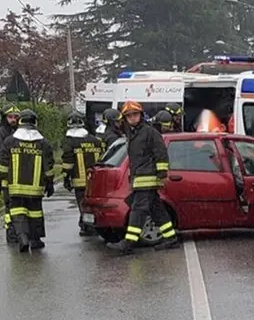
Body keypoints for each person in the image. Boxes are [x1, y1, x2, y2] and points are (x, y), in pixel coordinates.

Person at [107, 100, 179, 254]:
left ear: (141, 115)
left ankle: (129, 243)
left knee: (137, 210)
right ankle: (171, 238)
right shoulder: (132, 133)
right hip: (139, 177)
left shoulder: (149, 132)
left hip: (147, 177)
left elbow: (160, 152)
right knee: (156, 209)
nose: (132, 117)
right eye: (129, 116)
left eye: (135, 114)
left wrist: (161, 173)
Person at [0, 109, 55, 252]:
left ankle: (23, 237)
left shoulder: (10, 141)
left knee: (18, 213)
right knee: (35, 213)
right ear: (35, 122)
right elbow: (48, 167)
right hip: (36, 188)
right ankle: (35, 240)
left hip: (14, 187)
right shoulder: (43, 143)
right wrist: (49, 183)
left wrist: (3, 182)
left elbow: (3, 166)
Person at [62, 111, 105, 236]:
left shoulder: (70, 142)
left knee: (83, 204)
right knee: (94, 204)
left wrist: (66, 178)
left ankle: (87, 226)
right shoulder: (96, 141)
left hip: (79, 181)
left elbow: (68, 163)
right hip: (96, 179)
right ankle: (91, 224)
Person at [0, 106, 21, 243]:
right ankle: (11, 232)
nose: (13, 119)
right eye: (10, 117)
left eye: (15, 117)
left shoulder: (21, 132)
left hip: (19, 175)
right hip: (6, 175)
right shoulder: (2, 133)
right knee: (9, 204)